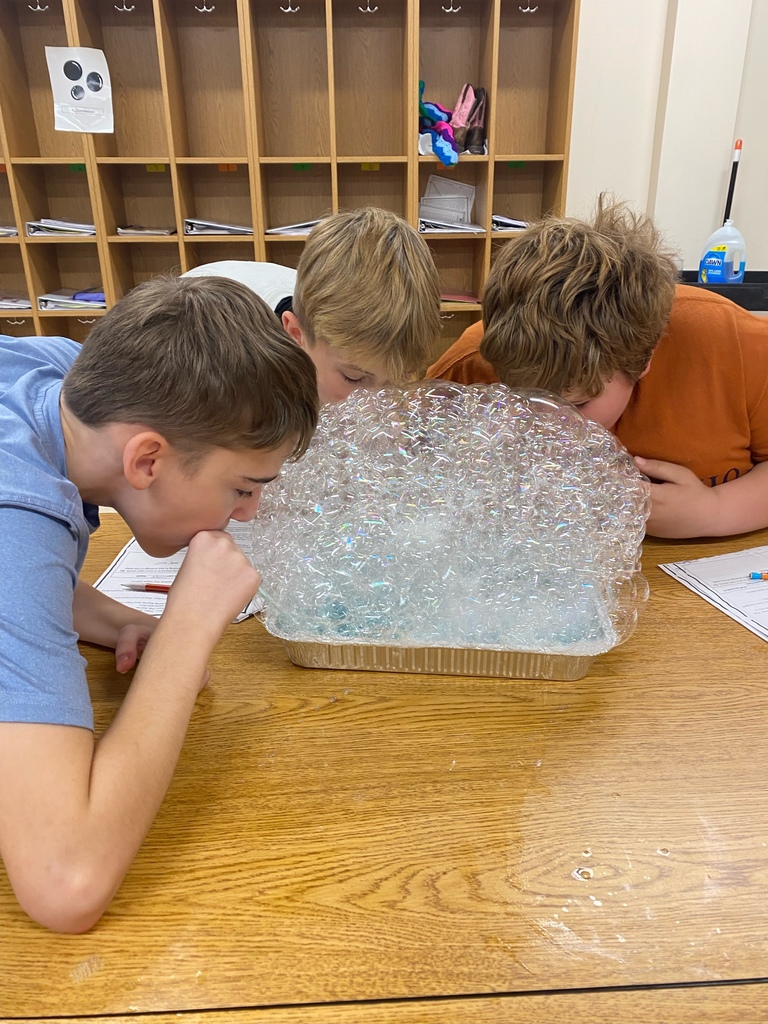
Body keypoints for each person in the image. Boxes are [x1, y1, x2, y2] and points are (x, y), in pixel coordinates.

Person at [0, 276, 318, 933]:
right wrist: (186, 628)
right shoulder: (16, 520)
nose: (250, 512)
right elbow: (65, 883)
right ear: (146, 459)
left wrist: (117, 619)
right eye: (243, 487)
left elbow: (25, 586)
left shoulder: (57, 375)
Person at [427, 199, 768, 539]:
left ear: (643, 359)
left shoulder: (731, 342)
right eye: (525, 399)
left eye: (577, 404)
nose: (550, 425)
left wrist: (715, 511)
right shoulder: (472, 365)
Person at [184, 207, 442, 405]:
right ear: (296, 335)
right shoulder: (235, 375)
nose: (375, 404)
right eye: (353, 378)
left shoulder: (330, 333)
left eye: (397, 381)